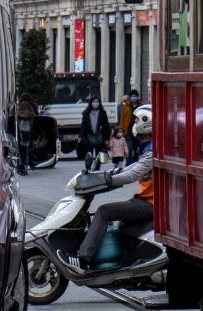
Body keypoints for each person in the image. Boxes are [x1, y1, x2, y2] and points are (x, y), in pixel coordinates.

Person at [62, 106, 154, 271]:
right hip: (146, 200)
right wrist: (106, 174)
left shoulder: (152, 152)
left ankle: (84, 258)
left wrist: (108, 180)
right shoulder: (149, 148)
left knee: (104, 211)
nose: (139, 137)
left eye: (137, 122)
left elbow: (132, 175)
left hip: (151, 204)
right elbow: (127, 169)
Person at [15, 93, 38, 175]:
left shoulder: (17, 110)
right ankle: (27, 164)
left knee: (20, 150)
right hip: (29, 134)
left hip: (19, 134)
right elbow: (37, 119)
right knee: (28, 149)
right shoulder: (32, 109)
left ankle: (20, 165)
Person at [118, 88, 141, 161]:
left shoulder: (140, 106)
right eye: (132, 96)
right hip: (128, 131)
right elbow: (122, 118)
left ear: (137, 97)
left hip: (138, 131)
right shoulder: (126, 106)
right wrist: (121, 129)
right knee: (129, 148)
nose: (133, 98)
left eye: (135, 96)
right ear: (130, 97)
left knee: (136, 148)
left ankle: (135, 162)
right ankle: (128, 163)